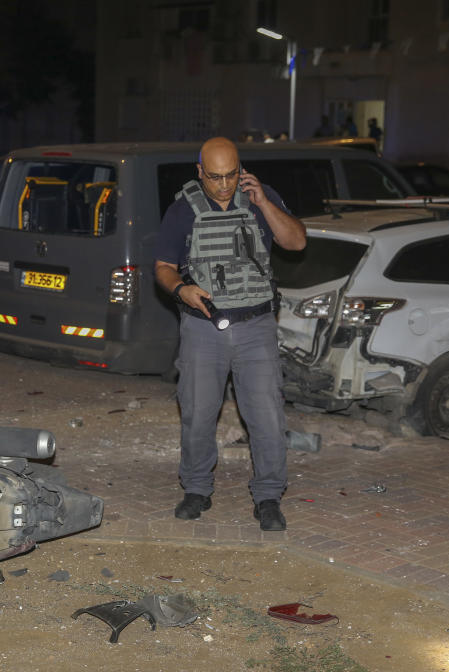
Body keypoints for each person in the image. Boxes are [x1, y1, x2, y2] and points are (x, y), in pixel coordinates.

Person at [153, 137, 306, 531]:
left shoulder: (261, 197)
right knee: (198, 412)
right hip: (203, 327)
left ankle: (269, 497)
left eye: (232, 175)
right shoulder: (182, 209)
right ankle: (197, 490)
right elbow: (164, 267)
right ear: (200, 171)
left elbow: (296, 241)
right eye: (215, 177)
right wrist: (180, 288)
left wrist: (264, 205)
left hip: (256, 326)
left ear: (242, 169)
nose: (224, 185)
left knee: (267, 416)